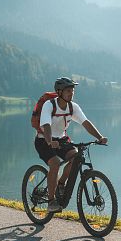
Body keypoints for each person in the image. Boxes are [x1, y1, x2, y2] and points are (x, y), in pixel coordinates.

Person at [35, 77, 108, 213]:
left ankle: (61, 184)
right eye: (68, 90)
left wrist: (100, 137)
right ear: (59, 92)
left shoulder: (72, 107)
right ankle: (51, 201)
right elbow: (45, 125)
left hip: (62, 140)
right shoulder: (49, 105)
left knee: (76, 158)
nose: (71, 93)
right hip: (43, 140)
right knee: (55, 163)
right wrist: (50, 141)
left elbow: (85, 123)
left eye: (72, 90)